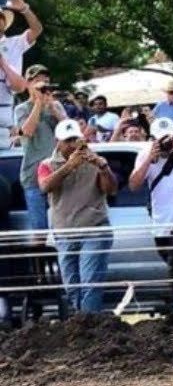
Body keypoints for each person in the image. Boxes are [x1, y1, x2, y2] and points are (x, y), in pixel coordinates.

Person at [37, 119, 117, 314]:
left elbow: (111, 190)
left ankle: (88, 327)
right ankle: (84, 325)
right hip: (64, 232)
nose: (73, 144)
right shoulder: (47, 164)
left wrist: (103, 168)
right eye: (68, 140)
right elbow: (45, 186)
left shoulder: (94, 160)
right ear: (58, 141)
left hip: (94, 228)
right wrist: (69, 166)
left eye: (76, 139)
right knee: (72, 286)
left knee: (90, 284)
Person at [14, 65, 67, 235]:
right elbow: (26, 132)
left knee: (63, 229)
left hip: (58, 172)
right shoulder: (21, 109)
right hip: (33, 176)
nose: (42, 84)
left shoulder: (55, 104)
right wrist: (38, 103)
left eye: (45, 81)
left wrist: (52, 107)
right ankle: (41, 259)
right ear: (28, 84)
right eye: (37, 81)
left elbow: (70, 130)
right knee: (40, 230)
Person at [0, 0, 43, 149]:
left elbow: (37, 30)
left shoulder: (14, 43)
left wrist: (24, 9)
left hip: (3, 119)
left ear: (4, 22)